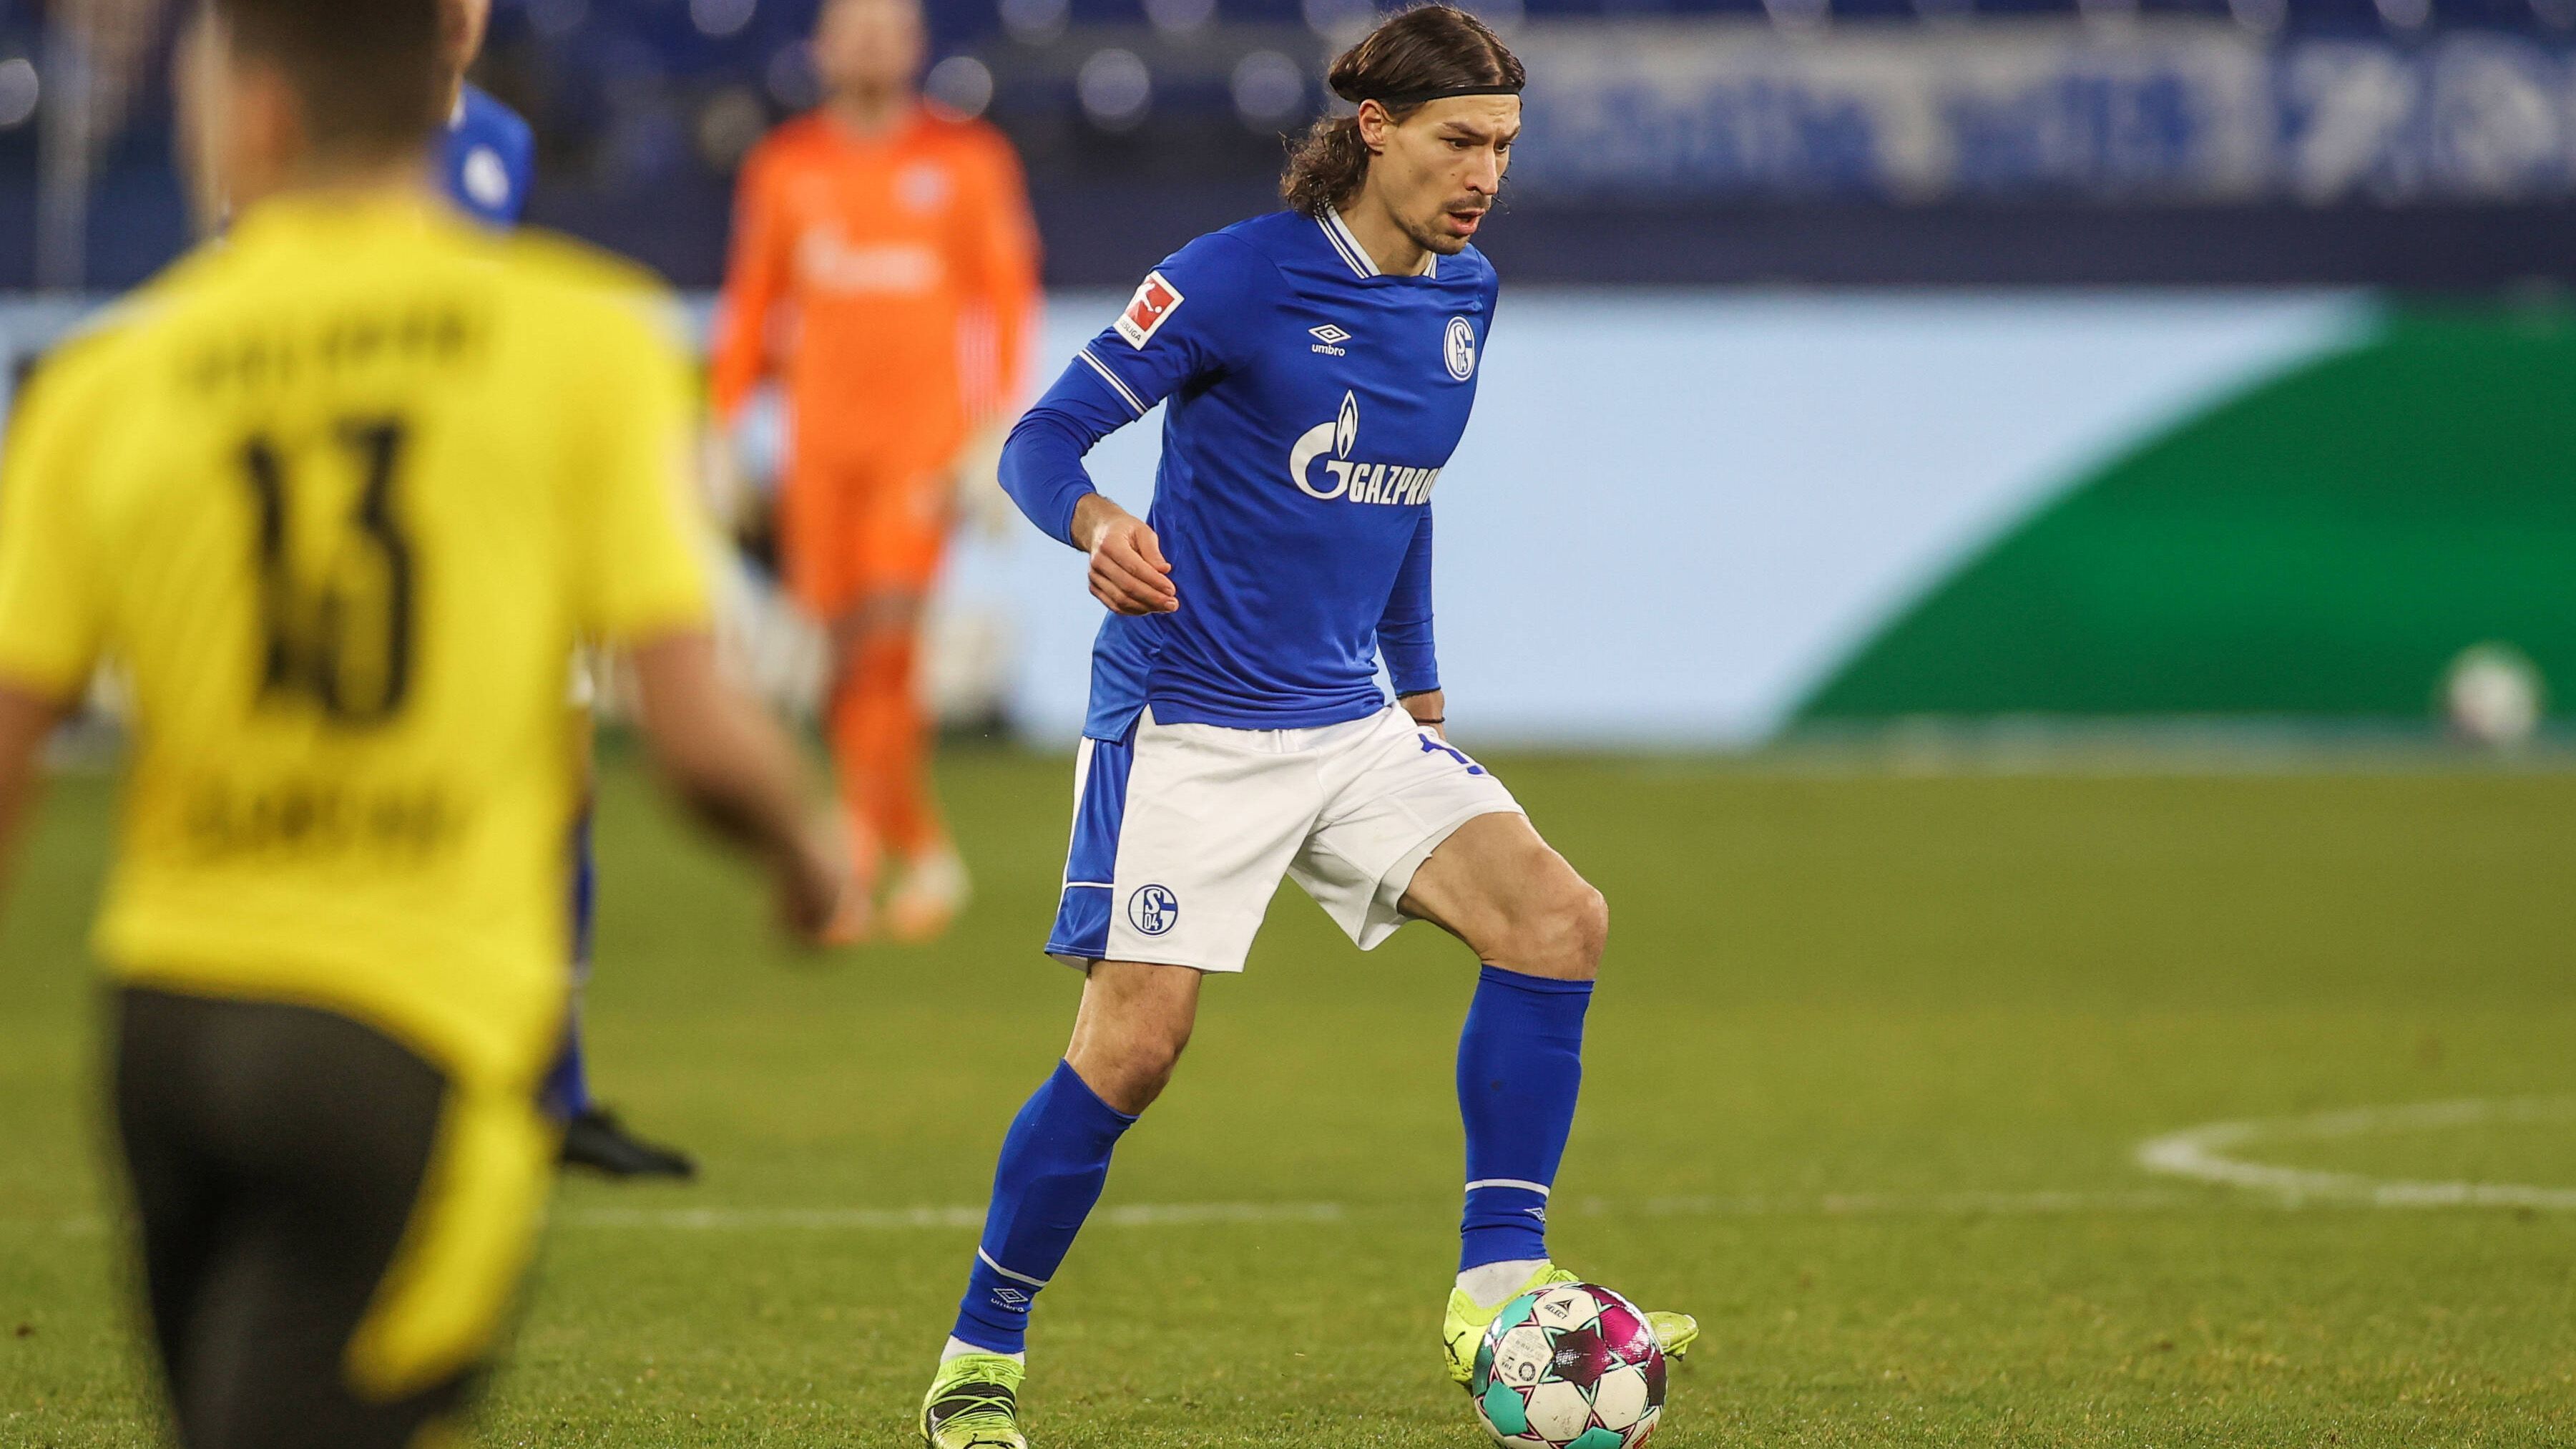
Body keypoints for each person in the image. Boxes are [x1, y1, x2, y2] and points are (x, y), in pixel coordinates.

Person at [0, 1, 848, 1443]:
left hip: (169, 1021)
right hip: (411, 1025)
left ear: (255, 116)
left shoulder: (103, 382)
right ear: (442, 95)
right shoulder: (582, 344)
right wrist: (806, 851)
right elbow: (695, 730)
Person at [914, 9, 1695, 1446]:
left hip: (1343, 717)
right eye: (1460, 139)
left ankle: (1497, 1288)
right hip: (1185, 717)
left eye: (1505, 147)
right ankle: (979, 1358)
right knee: (1134, 1047)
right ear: (1376, 128)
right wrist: (1092, 523)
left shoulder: (1466, 296)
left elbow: (1398, 487)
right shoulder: (1230, 279)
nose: (1484, 175)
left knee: (1555, 917)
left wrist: (1418, 684)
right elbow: (1038, 437)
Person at [711, 0, 1040, 943]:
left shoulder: (970, 162)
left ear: (914, 46)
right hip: (820, 452)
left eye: (884, 28)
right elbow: (751, 306)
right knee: (841, 661)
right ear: (818, 49)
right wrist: (721, 429)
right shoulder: (784, 167)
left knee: (887, 645)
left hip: (920, 448)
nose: (867, 45)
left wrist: (993, 429)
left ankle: (850, 854)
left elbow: (1006, 299)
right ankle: (926, 851)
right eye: (850, 28)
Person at [435, 0, 698, 1180]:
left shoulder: (498, 134)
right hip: (388, 520)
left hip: (497, 512)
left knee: (564, 784)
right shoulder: (337, 140)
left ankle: (557, 1088)